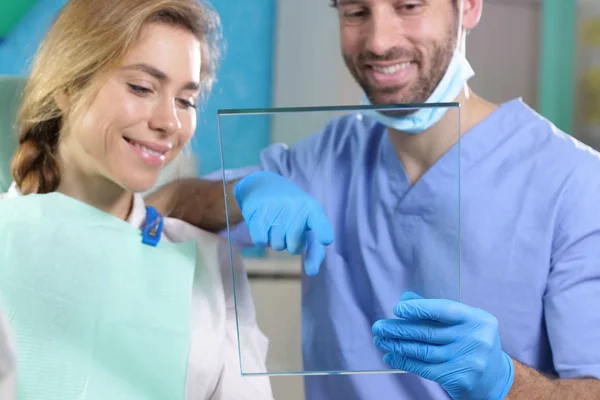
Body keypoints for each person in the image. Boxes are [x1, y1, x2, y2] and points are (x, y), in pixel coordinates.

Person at [147, 0, 600, 399]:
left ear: (470, 7)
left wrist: (505, 384)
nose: (379, 41)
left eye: (409, 6)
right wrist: (239, 195)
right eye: (356, 12)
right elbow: (159, 206)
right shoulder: (328, 156)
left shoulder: (575, 182)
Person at [0, 0, 273, 398]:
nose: (169, 122)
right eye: (142, 88)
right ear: (67, 85)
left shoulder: (209, 266)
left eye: (186, 100)